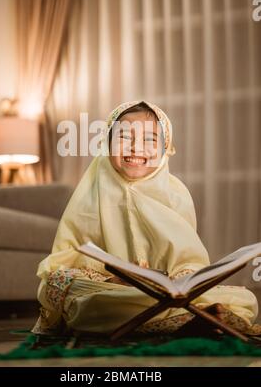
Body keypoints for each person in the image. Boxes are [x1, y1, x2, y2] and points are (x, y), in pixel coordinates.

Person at [32, 100, 260, 336]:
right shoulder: (90, 191)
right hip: (111, 289)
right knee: (69, 290)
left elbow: (189, 260)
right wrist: (115, 277)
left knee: (244, 298)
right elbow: (65, 258)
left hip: (162, 292)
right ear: (107, 143)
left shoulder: (176, 194)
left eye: (150, 140)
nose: (135, 148)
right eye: (124, 137)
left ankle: (179, 314)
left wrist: (177, 282)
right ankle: (193, 318)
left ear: (165, 148)